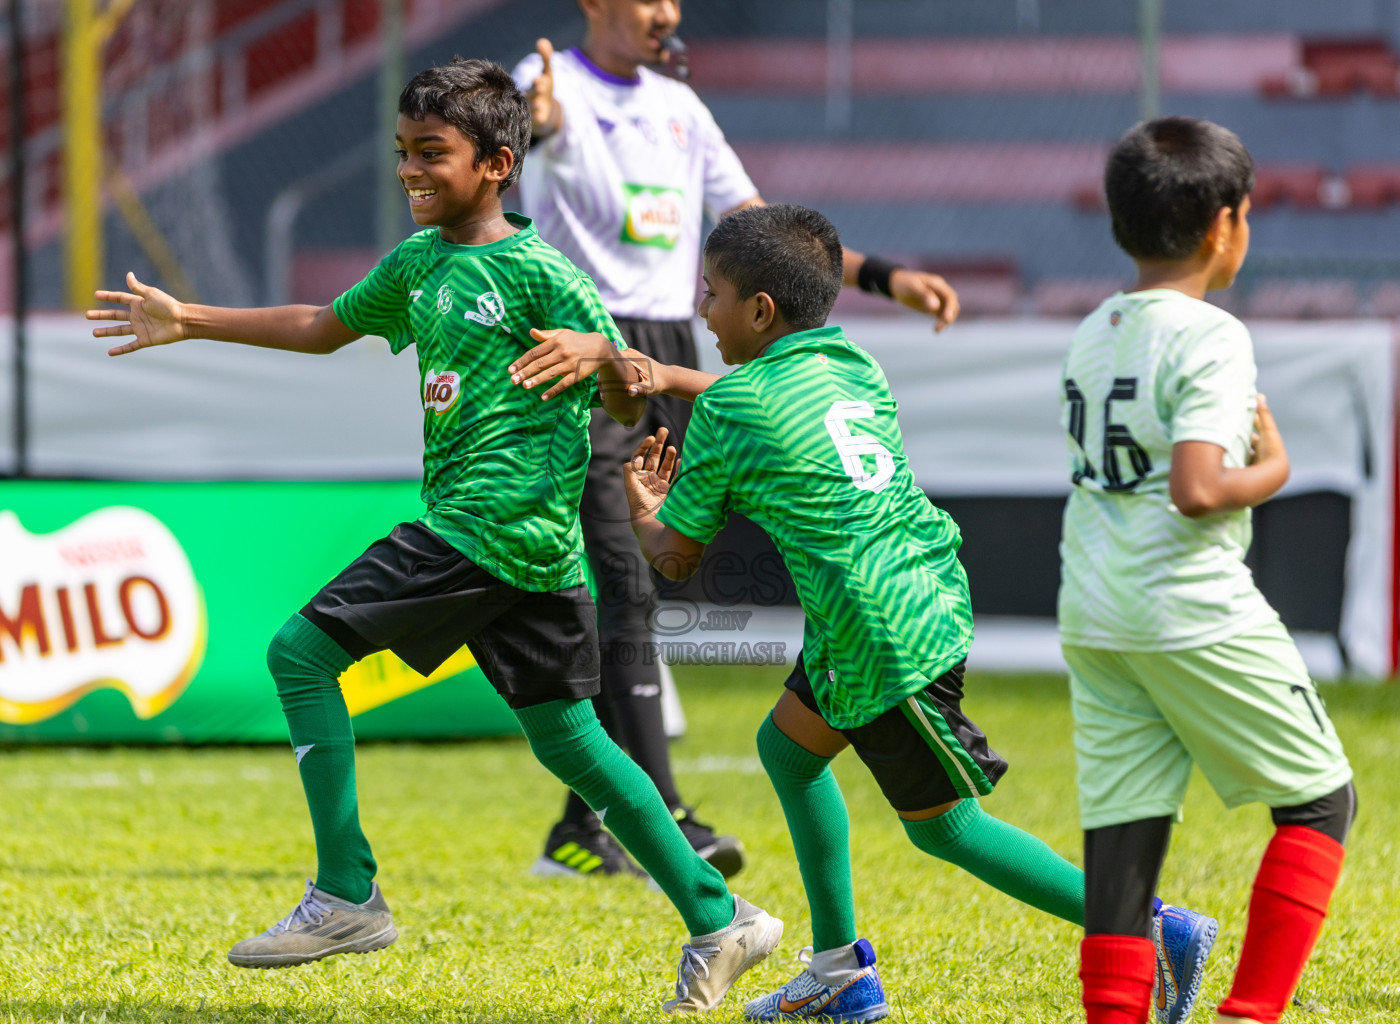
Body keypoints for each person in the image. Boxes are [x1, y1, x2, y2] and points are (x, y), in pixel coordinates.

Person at [87, 58, 781, 1014]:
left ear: (498, 164)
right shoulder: (419, 264)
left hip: (485, 527)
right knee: (574, 741)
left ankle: (345, 893)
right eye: (403, 152)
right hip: (526, 553)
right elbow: (325, 326)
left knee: (298, 655)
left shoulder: (542, 273)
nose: (410, 170)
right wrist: (189, 319)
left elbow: (630, 391)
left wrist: (606, 354)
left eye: (432, 154)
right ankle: (720, 915)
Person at [514, 202, 1214, 1022]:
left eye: (711, 294)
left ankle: (1149, 927)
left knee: (946, 829)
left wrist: (642, 510)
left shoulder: (735, 413)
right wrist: (672, 378)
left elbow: (674, 557)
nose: (700, 309)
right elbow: (767, 397)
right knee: (787, 750)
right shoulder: (850, 360)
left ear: (760, 310)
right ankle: (842, 969)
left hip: (877, 634)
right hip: (916, 592)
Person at [510, 0, 961, 882]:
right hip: (589, 352)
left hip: (676, 346)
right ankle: (663, 819)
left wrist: (885, 276)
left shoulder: (681, 109)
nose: (667, 12)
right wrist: (540, 127)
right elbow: (524, 135)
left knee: (643, 579)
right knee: (625, 580)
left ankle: (583, 828)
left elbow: (766, 232)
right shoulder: (546, 82)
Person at [1059, 118, 1356, 1024]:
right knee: (1320, 802)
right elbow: (1197, 489)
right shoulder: (1213, 336)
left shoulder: (1094, 329)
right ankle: (1249, 1012)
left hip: (1095, 610)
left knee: (1124, 842)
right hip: (1190, 605)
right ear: (1226, 222)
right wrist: (1274, 471)